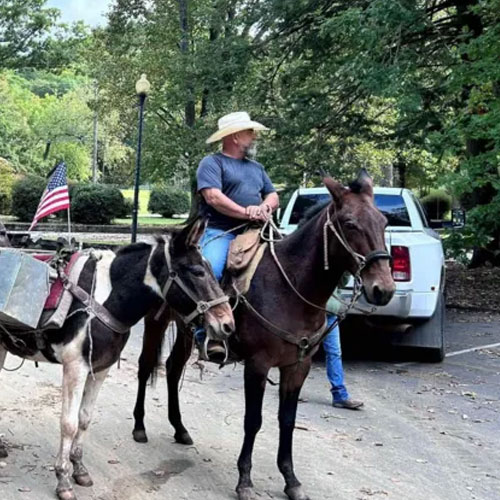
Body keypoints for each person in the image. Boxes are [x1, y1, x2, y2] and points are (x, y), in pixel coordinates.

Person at [195, 111, 279, 360]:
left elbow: (273, 195)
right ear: (233, 136)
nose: (254, 137)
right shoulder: (212, 163)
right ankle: (205, 332)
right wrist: (246, 212)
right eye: (249, 132)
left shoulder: (257, 168)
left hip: (257, 232)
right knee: (211, 270)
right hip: (221, 232)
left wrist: (264, 207)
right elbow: (213, 197)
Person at [324, 293, 364, 410]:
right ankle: (292, 388)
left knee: (334, 352)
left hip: (331, 314)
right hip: (312, 312)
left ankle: (340, 395)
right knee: (304, 351)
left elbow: (341, 283)